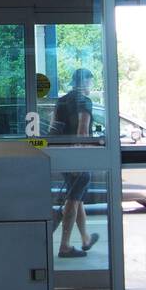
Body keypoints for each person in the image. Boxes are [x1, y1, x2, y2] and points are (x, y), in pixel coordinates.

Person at [52, 68, 100, 258]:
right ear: (85, 81)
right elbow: (82, 132)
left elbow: (54, 128)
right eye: (90, 81)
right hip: (76, 156)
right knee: (73, 200)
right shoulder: (84, 102)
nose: (91, 85)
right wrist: (80, 160)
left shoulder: (62, 100)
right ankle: (65, 246)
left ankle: (86, 238)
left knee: (76, 196)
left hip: (62, 155)